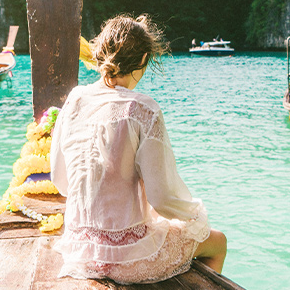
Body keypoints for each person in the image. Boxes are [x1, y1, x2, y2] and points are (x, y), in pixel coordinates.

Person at [50, 14, 227, 285]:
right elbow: (162, 199)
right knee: (217, 242)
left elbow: (61, 182)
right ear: (143, 59)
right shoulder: (142, 110)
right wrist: (195, 216)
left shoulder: (74, 100)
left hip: (79, 251)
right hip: (129, 259)